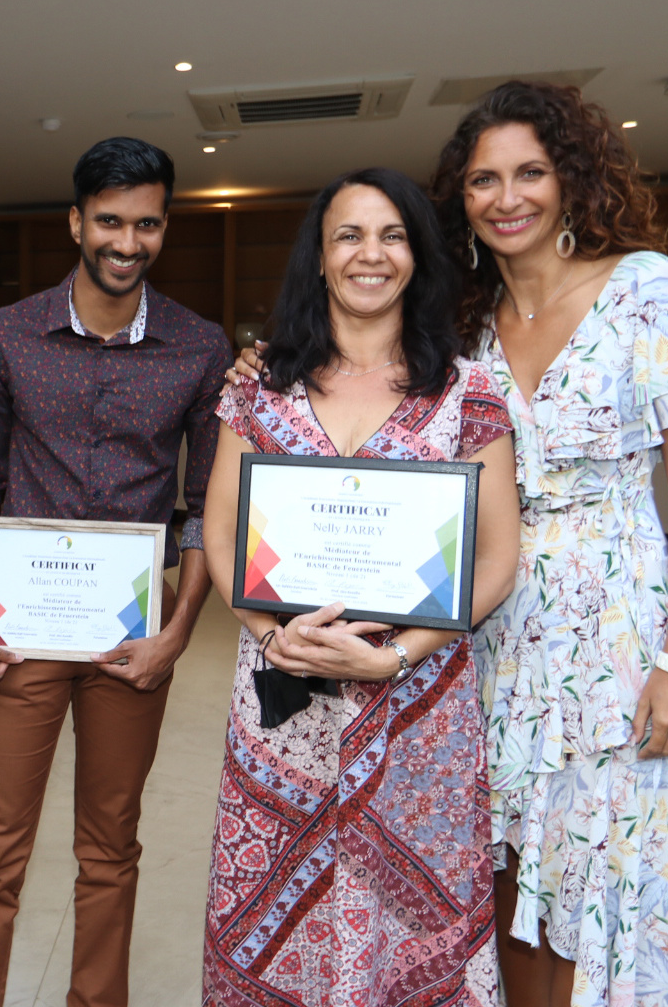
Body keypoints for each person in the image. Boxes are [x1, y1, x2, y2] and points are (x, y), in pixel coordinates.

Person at [199, 168, 521, 1006]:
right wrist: (273, 635)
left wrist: (400, 658)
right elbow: (221, 531)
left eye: (392, 235)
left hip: (418, 708)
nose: (369, 254)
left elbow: (495, 559)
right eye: (348, 235)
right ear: (318, 257)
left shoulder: (468, 393)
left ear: (417, 256)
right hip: (285, 711)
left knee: (413, 931)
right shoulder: (260, 388)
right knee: (276, 922)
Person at [435, 82, 668, 1007]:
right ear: (462, 196)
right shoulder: (461, 323)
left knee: (603, 860)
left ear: (570, 181)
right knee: (504, 865)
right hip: (485, 628)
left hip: (614, 637)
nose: (507, 197)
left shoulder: (646, 288)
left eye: (531, 172)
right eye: (484, 179)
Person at [0, 136, 233, 1007]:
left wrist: (176, 636)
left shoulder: (199, 345)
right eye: (109, 221)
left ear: (164, 228)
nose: (127, 242)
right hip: (16, 633)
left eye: (146, 224)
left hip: (129, 643)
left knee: (111, 849)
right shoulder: (7, 333)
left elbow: (202, 506)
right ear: (77, 222)